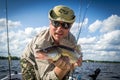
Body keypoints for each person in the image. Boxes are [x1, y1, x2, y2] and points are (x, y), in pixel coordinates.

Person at [20, 5, 82, 80]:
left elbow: (76, 55)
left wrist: (76, 62)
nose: (59, 29)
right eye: (56, 23)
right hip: (30, 61)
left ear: (70, 27)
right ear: (50, 23)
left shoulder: (71, 40)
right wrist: (62, 69)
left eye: (65, 25)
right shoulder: (41, 43)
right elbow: (46, 78)